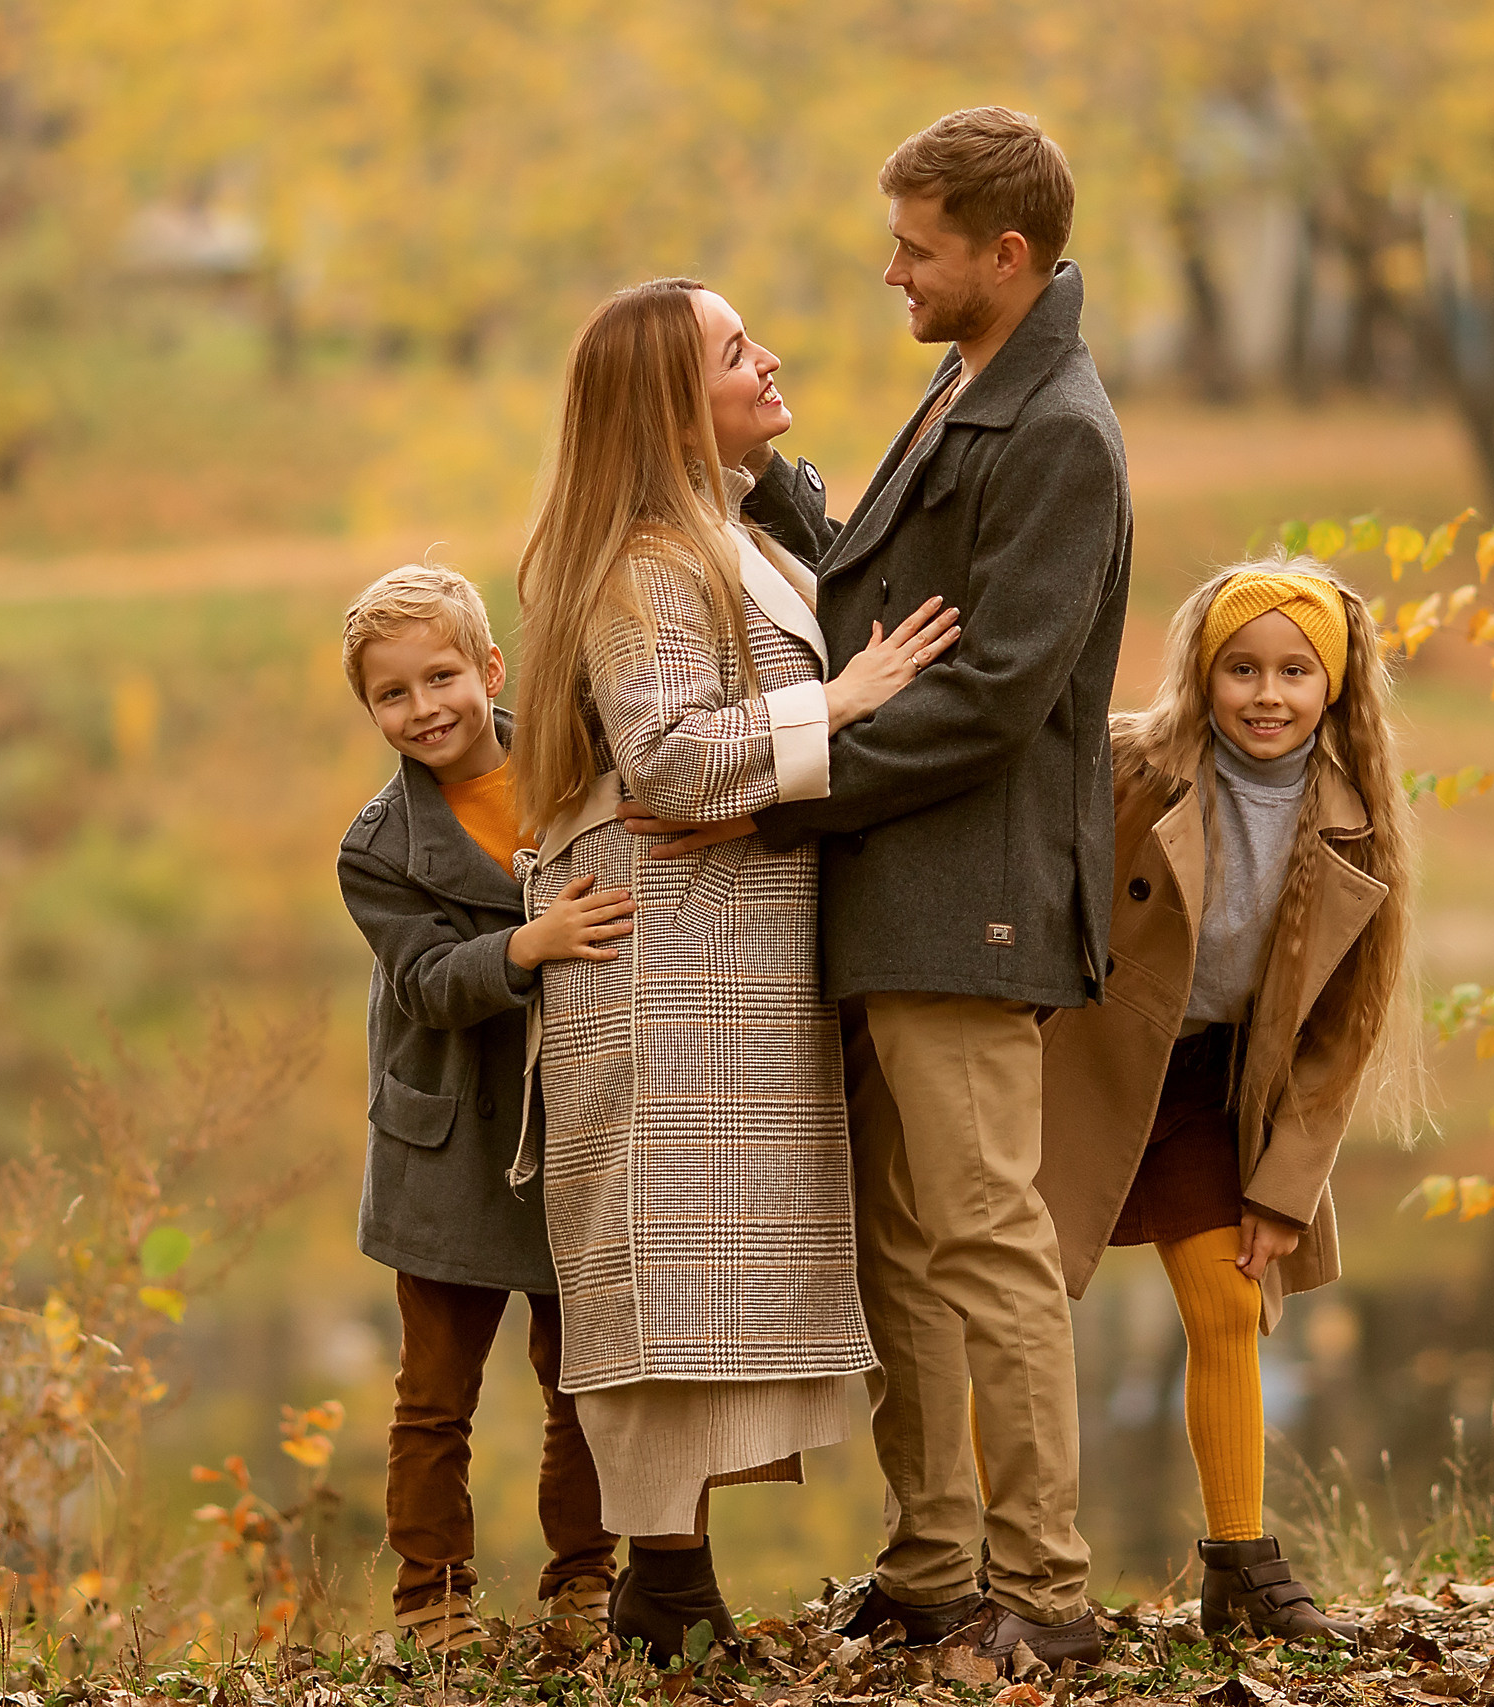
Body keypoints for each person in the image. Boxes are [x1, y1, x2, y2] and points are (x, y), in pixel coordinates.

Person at [650, 106, 1132, 1670]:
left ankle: (1046, 1592)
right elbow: (883, 577)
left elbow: (993, 691)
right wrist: (767, 475)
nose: (890, 271)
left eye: (916, 249)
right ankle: (934, 1561)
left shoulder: (1060, 429)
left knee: (987, 1238)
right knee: (904, 1254)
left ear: (1005, 254)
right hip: (894, 890)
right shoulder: (974, 380)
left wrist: (786, 786)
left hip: (969, 896)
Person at [511, 277, 961, 1663]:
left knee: (713, 1273)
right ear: (666, 401)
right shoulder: (645, 557)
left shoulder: (734, 529)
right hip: (658, 955)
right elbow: (670, 757)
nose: (770, 359)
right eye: (732, 350)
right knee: (662, 1273)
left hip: (731, 943)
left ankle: (674, 1584)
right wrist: (837, 698)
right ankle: (665, 1584)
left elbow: (717, 761)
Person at [1032, 560, 1418, 1642]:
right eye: (1241, 668)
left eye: (1295, 671)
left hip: (1213, 1085)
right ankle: (1004, 1562)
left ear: (1332, 688)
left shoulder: (1356, 824)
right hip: (1085, 1070)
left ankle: (1239, 1567)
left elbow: (1339, 1039)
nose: (1266, 693)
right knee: (1016, 1315)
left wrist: (1284, 1189)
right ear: (1203, 674)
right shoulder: (1128, 768)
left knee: (1228, 1305)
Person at [334, 564, 639, 1655]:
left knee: (583, 1381)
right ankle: (433, 1597)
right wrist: (526, 945)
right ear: (370, 710)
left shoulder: (578, 763)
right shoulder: (375, 848)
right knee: (434, 1396)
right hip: (451, 1139)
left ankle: (584, 1582)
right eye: (394, 694)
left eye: (442, 677)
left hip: (578, 1128)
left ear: (490, 669)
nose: (425, 709)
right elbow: (426, 982)